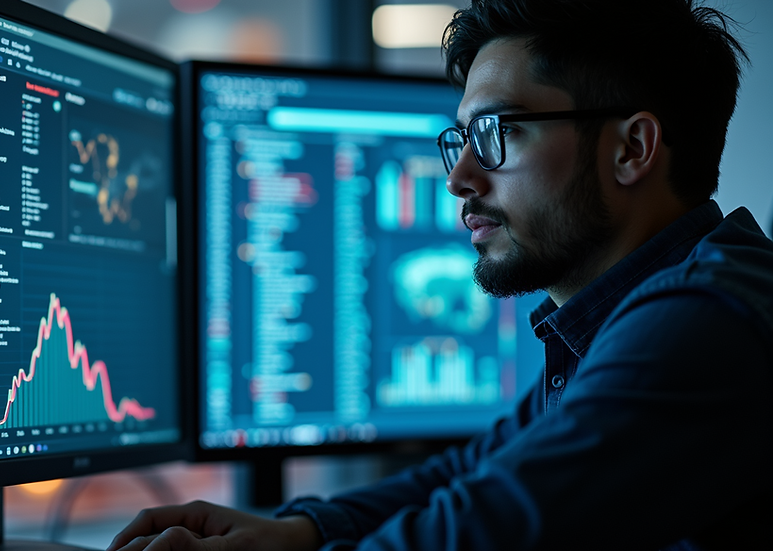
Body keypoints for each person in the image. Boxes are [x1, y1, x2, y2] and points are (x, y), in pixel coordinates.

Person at [108, 0, 773, 548]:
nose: (459, 177)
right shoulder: (630, 315)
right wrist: (299, 530)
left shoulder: (706, 321)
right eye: (461, 139)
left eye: (496, 132)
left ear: (632, 149)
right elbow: (473, 471)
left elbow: (484, 531)